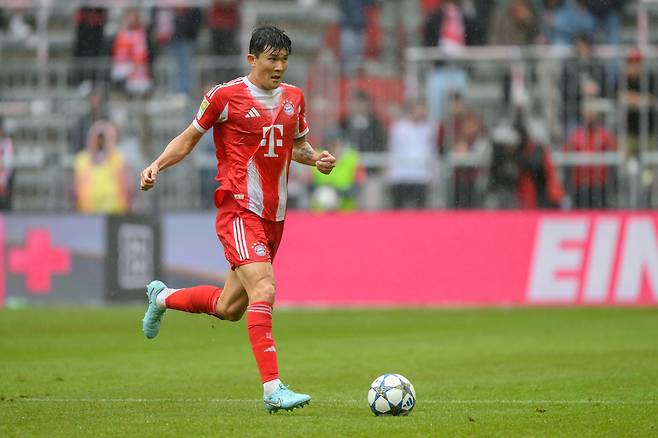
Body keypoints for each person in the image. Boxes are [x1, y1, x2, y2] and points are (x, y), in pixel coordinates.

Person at [139, 26, 336, 413]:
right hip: (238, 210)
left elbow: (295, 145)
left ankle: (161, 297)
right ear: (252, 59)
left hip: (274, 217)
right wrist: (157, 165)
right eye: (272, 59)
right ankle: (273, 389)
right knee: (264, 287)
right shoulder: (224, 96)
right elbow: (188, 139)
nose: (279, 67)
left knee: (230, 308)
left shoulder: (294, 98)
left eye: (284, 60)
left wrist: (317, 159)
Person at [73, 120, 132, 214]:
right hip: (88, 213)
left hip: (115, 213)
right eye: (98, 138)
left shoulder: (118, 158)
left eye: (103, 138)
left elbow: (127, 186)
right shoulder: (81, 159)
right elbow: (75, 189)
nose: (100, 142)